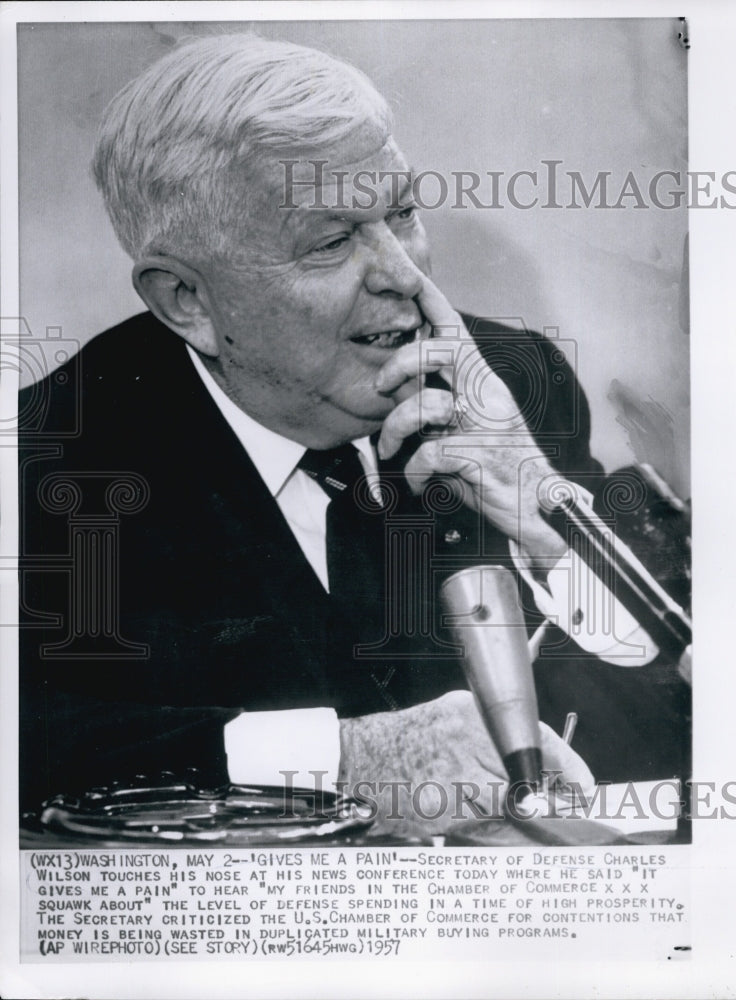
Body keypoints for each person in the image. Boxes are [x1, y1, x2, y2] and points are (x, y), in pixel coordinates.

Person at [18, 35, 690, 839]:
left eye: (401, 212)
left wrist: (544, 517)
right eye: (332, 242)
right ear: (187, 301)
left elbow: (683, 698)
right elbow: (34, 739)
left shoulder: (510, 379)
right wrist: (340, 759)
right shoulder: (49, 463)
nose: (406, 274)